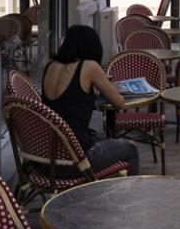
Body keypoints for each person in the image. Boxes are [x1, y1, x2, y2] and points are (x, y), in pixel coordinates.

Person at [41, 25, 140, 177]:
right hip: (76, 159)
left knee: (101, 139)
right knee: (130, 148)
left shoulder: (50, 66)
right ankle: (127, 199)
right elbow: (118, 103)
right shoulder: (89, 67)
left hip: (47, 155)